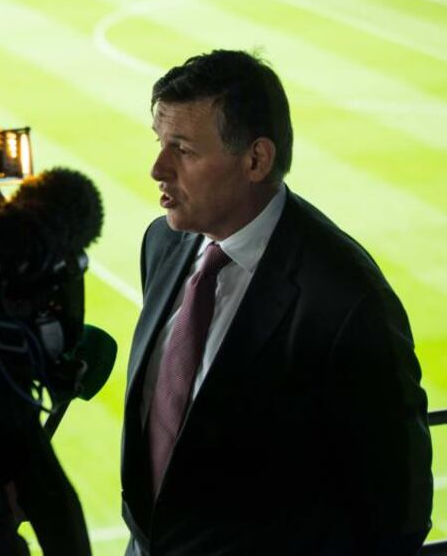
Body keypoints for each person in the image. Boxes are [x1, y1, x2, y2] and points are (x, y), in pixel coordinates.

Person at [120, 50, 432, 555]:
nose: (157, 168)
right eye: (160, 143)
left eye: (183, 149)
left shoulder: (346, 302)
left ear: (256, 160)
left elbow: (395, 513)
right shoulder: (163, 243)